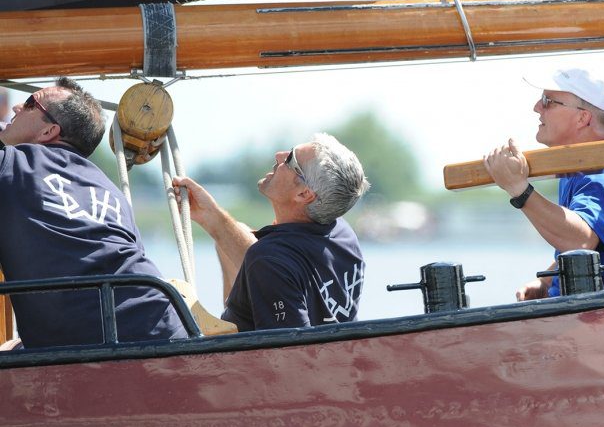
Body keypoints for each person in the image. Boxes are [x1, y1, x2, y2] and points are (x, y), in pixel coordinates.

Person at [0, 78, 188, 348]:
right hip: (165, 326)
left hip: (87, 347)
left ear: (49, 131)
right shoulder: (110, 190)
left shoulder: (11, 164)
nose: (17, 106)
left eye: (31, 103)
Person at [484, 68, 604, 300]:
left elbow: (579, 240)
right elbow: (592, 243)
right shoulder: (584, 168)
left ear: (583, 118)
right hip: (599, 314)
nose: (536, 108)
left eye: (547, 101)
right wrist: (547, 280)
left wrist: (518, 189)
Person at [173, 133, 368, 331]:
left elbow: (289, 355)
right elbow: (280, 268)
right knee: (239, 231)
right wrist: (211, 216)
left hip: (254, 359)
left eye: (291, 159)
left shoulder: (269, 259)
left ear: (304, 194)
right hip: (339, 357)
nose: (279, 155)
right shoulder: (343, 233)